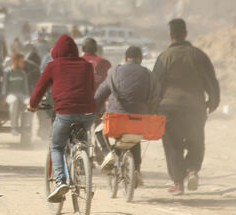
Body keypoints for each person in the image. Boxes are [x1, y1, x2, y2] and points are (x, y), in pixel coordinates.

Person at [152, 18, 220, 195]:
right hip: (195, 108)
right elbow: (211, 81)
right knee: (195, 141)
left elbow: (155, 85)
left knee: (172, 145)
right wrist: (212, 103)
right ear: (186, 34)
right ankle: (192, 170)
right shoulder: (198, 55)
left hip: (169, 109)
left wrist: (152, 107)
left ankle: (177, 183)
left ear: (171, 35)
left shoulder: (164, 57)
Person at [28, 34, 96, 202]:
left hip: (65, 113)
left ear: (56, 51)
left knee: (57, 147)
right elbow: (92, 88)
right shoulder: (87, 66)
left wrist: (32, 105)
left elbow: (39, 89)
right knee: (82, 140)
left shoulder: (53, 65)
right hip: (87, 113)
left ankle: (60, 181)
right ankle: (83, 174)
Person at [94, 46, 160, 186]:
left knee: (99, 131)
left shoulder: (114, 72)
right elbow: (155, 98)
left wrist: (96, 111)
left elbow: (100, 95)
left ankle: (109, 154)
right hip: (140, 120)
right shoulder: (149, 74)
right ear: (141, 60)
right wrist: (150, 114)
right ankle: (137, 170)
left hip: (116, 120)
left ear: (125, 58)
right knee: (135, 139)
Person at [3, 53, 31, 137]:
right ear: (15, 61)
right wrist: (3, 97)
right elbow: (4, 86)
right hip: (10, 95)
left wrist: (28, 98)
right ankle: (13, 127)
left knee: (31, 102)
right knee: (14, 100)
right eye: (21, 62)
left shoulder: (22, 73)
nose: (23, 64)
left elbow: (26, 88)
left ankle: (27, 126)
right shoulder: (7, 72)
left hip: (21, 94)